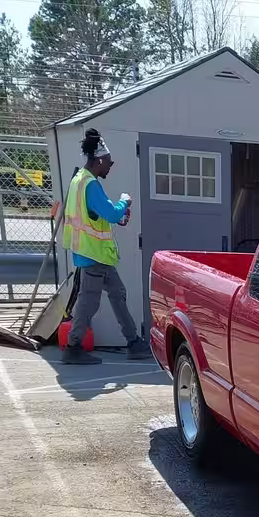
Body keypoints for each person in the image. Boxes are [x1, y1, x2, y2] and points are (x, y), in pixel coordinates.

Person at [60, 128, 150, 364]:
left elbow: (95, 213)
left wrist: (117, 215)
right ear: (99, 160)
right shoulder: (89, 184)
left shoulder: (79, 181)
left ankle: (134, 342)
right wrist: (124, 202)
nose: (110, 166)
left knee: (117, 295)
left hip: (97, 256)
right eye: (108, 162)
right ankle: (73, 346)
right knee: (88, 303)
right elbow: (109, 212)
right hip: (93, 256)